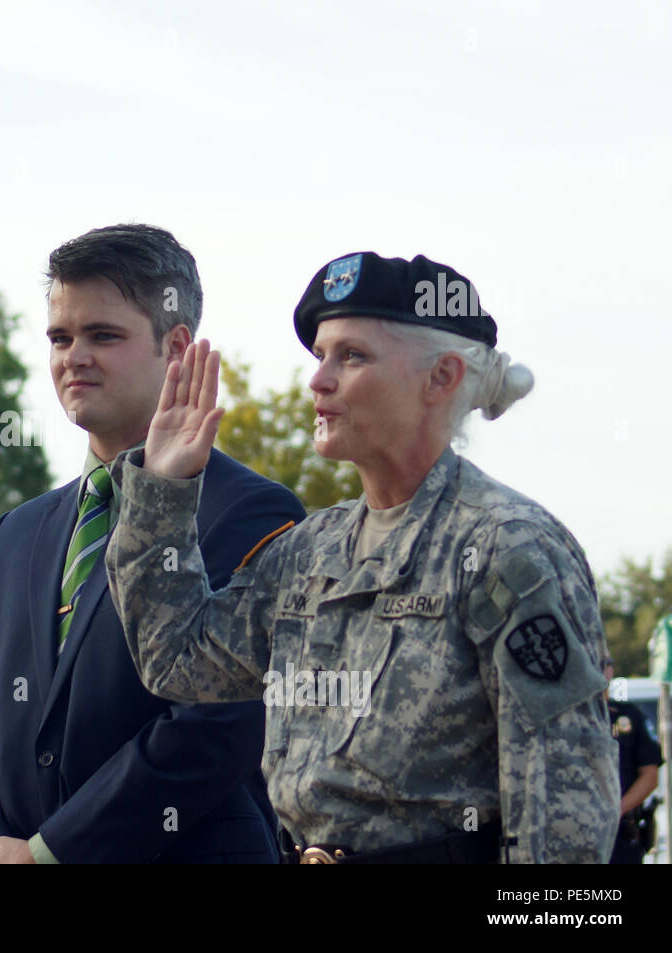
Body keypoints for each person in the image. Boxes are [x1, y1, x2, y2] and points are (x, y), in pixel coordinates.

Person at [107, 251, 619, 864]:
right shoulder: (310, 550)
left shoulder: (507, 548)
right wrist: (161, 496)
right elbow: (179, 663)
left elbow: (565, 818)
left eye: (351, 356)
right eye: (320, 355)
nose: (318, 380)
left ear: (442, 377)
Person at [0, 224, 305, 864]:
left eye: (103, 335)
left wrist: (52, 853)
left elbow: (214, 727)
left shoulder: (253, 512)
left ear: (177, 345)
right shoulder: (14, 535)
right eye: (60, 337)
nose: (73, 356)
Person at [604, 660, 662, 864]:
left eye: (605, 665)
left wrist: (615, 812)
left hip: (621, 832)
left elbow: (650, 775)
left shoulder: (628, 716)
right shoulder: (568, 719)